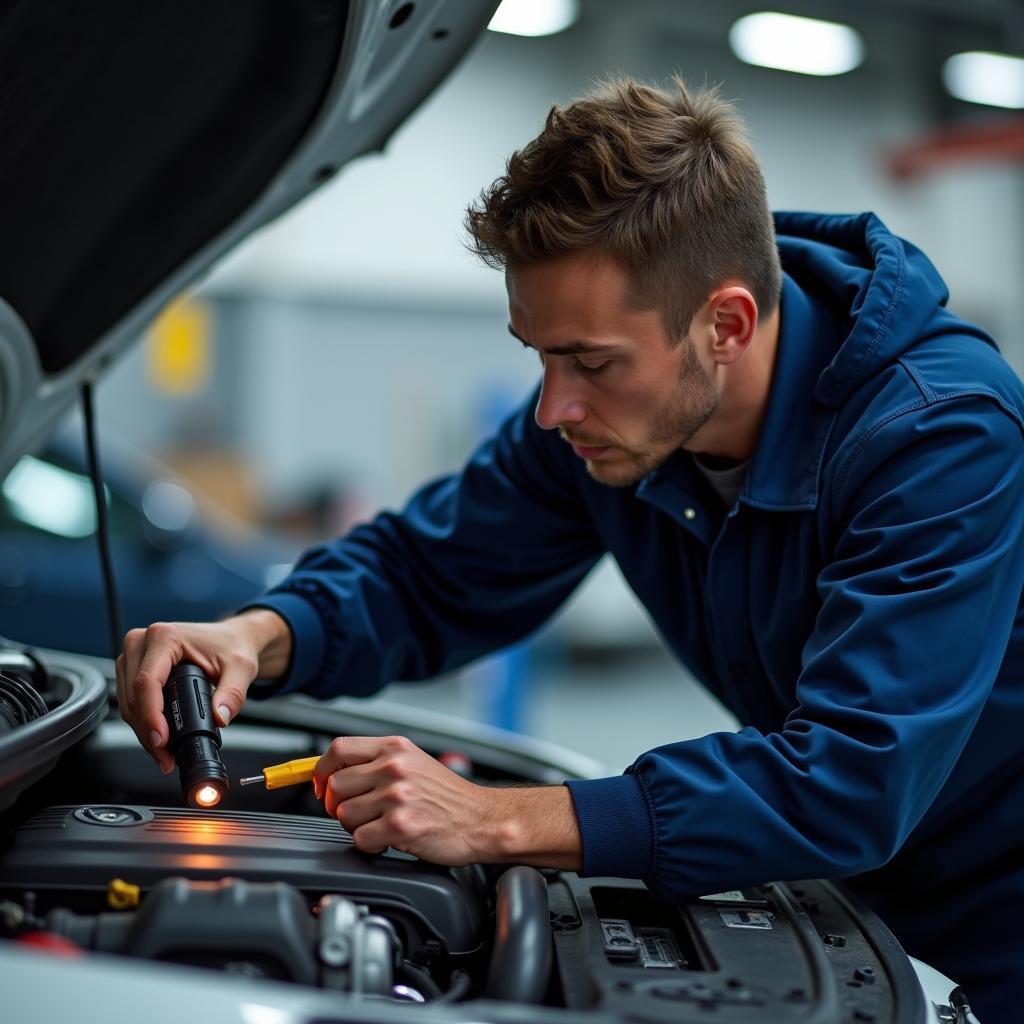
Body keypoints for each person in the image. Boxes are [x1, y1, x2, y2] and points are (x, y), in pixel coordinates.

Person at [117, 78, 1024, 1020]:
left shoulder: (938, 436)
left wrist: (495, 816)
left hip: (998, 915)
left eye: (590, 362)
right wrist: (256, 636)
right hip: (840, 894)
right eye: (539, 356)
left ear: (727, 324)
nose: (554, 409)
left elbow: (851, 775)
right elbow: (427, 572)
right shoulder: (606, 426)